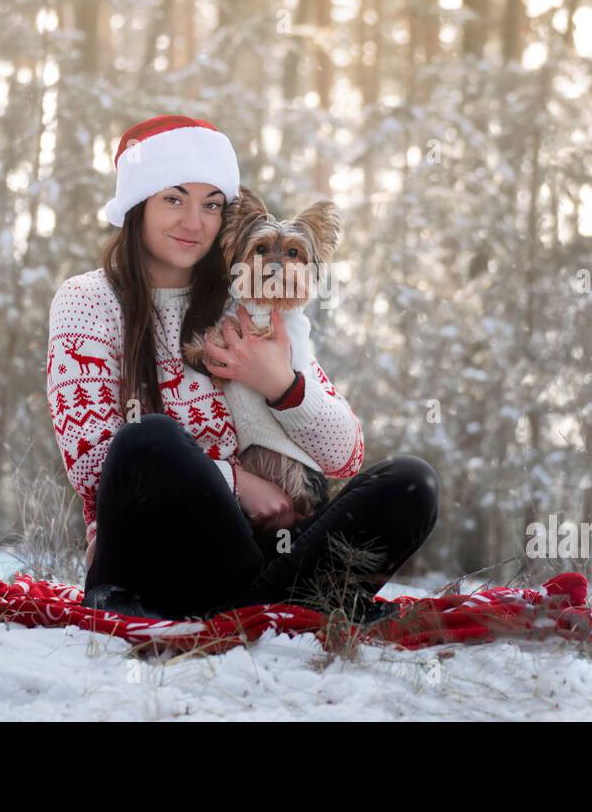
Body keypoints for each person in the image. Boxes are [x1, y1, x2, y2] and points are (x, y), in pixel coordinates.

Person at [46, 114, 439, 623]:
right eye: (174, 198)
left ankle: (258, 608)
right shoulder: (89, 299)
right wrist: (237, 483)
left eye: (212, 204)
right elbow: (92, 463)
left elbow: (345, 457)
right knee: (148, 438)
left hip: (253, 555)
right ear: (137, 203)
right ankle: (293, 605)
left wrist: (280, 385)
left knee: (411, 482)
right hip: (153, 558)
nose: (194, 221)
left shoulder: (246, 301)